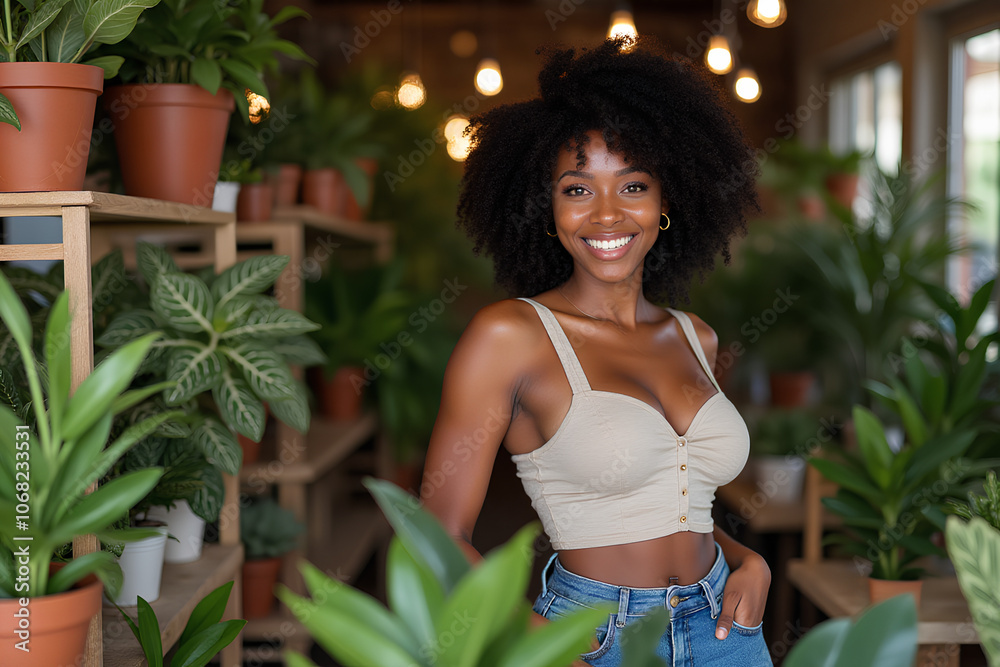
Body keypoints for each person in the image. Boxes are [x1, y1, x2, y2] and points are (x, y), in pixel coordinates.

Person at [420, 35, 772, 666]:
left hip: (725, 627)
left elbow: (675, 503)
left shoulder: (697, 336)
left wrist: (749, 561)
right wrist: (535, 638)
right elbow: (436, 535)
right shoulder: (510, 337)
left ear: (667, 201)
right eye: (578, 189)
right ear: (545, 207)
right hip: (594, 638)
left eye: (633, 185)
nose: (608, 215)